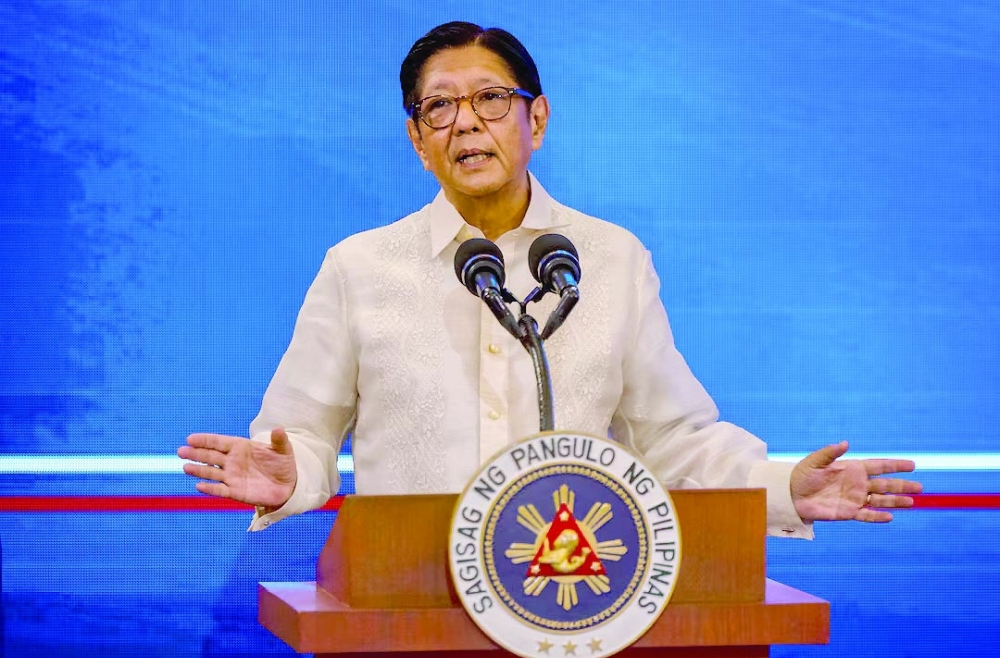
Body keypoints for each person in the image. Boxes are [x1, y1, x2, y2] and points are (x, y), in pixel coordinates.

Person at [178, 21, 922, 537]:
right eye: (438, 107)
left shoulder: (611, 259)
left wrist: (782, 487)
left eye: (490, 99)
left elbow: (674, 439)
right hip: (408, 600)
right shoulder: (360, 267)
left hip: (581, 597)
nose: (465, 123)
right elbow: (303, 435)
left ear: (537, 119)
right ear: (417, 140)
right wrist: (291, 476)